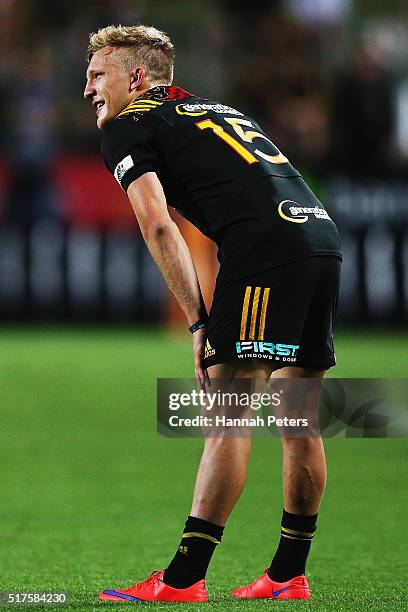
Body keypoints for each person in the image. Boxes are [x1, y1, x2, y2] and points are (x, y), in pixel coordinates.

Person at [84, 24, 342, 603]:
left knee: (227, 412)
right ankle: (287, 574)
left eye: (99, 75)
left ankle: (182, 580)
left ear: (138, 77)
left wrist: (199, 321)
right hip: (320, 240)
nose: (89, 90)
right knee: (299, 417)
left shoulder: (129, 125)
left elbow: (157, 224)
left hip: (265, 252)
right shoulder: (213, 108)